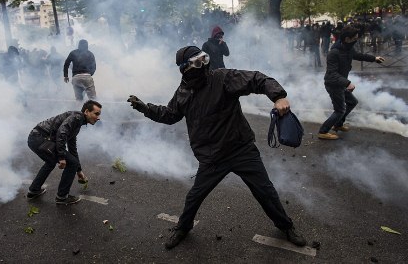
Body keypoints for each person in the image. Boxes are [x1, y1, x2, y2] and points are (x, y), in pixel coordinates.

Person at [127, 46, 307, 249]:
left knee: (266, 192)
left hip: (240, 149)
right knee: (195, 196)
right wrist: (145, 108)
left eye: (204, 59)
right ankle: (182, 228)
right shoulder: (183, 93)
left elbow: (257, 79)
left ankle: (286, 227)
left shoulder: (222, 78)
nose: (203, 65)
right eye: (197, 62)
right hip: (212, 157)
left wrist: (278, 96)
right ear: (184, 69)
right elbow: (170, 115)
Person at [26, 100, 102, 205]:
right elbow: (61, 133)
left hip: (35, 139)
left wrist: (79, 171)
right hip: (39, 138)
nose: (98, 117)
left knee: (52, 162)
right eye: (96, 113)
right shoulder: (77, 117)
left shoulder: (77, 122)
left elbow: (72, 147)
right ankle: (62, 197)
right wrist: (62, 157)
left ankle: (33, 191)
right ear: (87, 111)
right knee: (71, 163)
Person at [318, 26, 385, 140]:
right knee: (339, 110)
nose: (357, 40)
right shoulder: (334, 52)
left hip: (340, 83)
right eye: (355, 38)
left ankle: (338, 125)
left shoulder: (347, 48)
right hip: (333, 84)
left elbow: (359, 56)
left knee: (352, 102)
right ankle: (323, 131)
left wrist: (374, 58)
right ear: (347, 39)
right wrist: (347, 83)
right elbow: (332, 73)